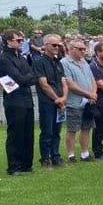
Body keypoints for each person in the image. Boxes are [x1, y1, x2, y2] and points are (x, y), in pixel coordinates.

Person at [0, 30, 37, 175]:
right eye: (18, 40)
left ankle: (26, 164)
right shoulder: (3, 59)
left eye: (22, 40)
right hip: (14, 100)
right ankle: (14, 166)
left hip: (26, 99)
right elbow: (19, 78)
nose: (21, 43)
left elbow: (32, 75)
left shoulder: (22, 58)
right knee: (15, 134)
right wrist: (26, 78)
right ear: (8, 41)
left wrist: (25, 78)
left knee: (28, 133)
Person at [32, 34, 68, 168]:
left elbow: (64, 82)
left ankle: (56, 156)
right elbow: (44, 84)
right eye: (54, 45)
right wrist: (57, 99)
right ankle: (45, 158)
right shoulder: (39, 62)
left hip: (60, 102)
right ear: (45, 45)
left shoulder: (58, 62)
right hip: (47, 102)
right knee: (47, 131)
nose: (57, 47)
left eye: (58, 45)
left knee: (57, 131)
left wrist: (63, 98)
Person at [61, 38, 99, 162]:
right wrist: (89, 94)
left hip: (88, 101)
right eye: (81, 49)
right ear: (71, 49)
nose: (84, 51)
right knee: (72, 129)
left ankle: (85, 153)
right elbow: (70, 84)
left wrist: (93, 93)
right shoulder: (64, 63)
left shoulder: (84, 62)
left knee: (86, 128)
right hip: (74, 102)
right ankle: (71, 155)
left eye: (84, 48)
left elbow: (93, 80)